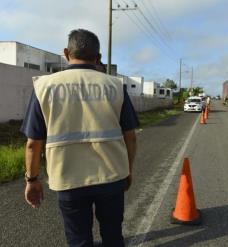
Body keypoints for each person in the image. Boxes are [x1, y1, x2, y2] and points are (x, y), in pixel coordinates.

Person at [21, 29, 139, 247]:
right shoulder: (115, 86)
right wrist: (128, 170)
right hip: (112, 176)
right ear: (97, 56)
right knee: (113, 236)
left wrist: (32, 179)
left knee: (79, 240)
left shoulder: (44, 87)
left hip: (68, 180)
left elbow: (33, 144)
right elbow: (130, 137)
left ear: (66, 53)